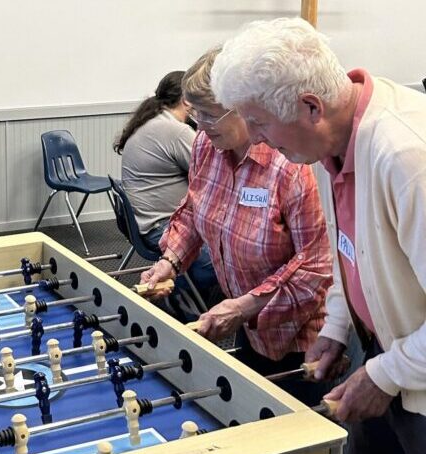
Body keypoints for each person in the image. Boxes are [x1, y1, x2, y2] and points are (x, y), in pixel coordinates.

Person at [211, 17, 426, 454]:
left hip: (412, 367)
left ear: (309, 106)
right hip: (386, 350)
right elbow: (344, 252)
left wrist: (384, 373)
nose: (255, 139)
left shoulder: (405, 156)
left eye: (259, 122)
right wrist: (335, 327)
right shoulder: (332, 144)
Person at [140, 46, 333, 406]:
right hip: (248, 324)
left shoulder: (289, 164)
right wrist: (169, 262)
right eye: (195, 114)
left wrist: (244, 306)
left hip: (300, 337)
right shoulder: (205, 146)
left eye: (210, 115)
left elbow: (315, 264)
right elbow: (193, 211)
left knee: (298, 447)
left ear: (244, 109)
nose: (200, 125)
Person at [115, 71, 220, 311]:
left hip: (142, 223)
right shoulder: (176, 131)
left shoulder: (152, 121)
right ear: (186, 100)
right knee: (222, 262)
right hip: (159, 226)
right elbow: (214, 172)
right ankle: (176, 303)